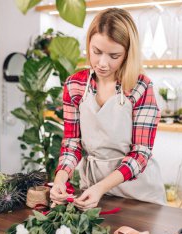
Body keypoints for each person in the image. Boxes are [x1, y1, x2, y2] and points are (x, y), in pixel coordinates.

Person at [50, 8, 166, 210]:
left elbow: (140, 154)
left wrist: (101, 187)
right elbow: (72, 143)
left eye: (114, 55)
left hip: (139, 195)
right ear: (89, 44)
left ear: (127, 54)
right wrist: (61, 178)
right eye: (96, 52)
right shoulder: (74, 85)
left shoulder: (140, 87)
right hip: (92, 190)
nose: (102, 63)